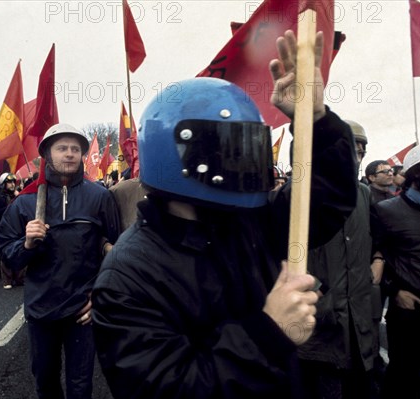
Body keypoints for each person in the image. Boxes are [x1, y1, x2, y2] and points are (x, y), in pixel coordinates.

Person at [91, 30, 358, 399]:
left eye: (248, 147)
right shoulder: (129, 274)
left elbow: (326, 198)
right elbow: (165, 389)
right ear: (179, 156)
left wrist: (317, 121)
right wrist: (269, 332)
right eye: (227, 151)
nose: (242, 162)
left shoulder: (249, 222)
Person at [0, 123, 121, 399]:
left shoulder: (100, 196)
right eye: (62, 148)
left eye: (75, 149)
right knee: (45, 379)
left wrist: (101, 294)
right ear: (47, 155)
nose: (70, 154)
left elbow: (119, 254)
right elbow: (7, 254)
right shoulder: (25, 202)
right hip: (41, 309)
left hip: (83, 310)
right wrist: (27, 244)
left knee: (80, 385)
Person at [297, 120, 381, 399]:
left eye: (361, 151)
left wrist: (377, 261)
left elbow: (375, 239)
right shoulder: (298, 195)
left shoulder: (365, 194)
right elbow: (276, 253)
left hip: (360, 318)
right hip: (320, 320)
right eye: (349, 149)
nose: (356, 157)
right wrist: (316, 289)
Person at [371, 141, 420, 399]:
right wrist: (395, 289)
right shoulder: (386, 211)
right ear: (418, 172)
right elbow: (373, 256)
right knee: (404, 383)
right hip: (412, 316)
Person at [0, 172, 23, 288]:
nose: (12, 185)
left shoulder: (17, 195)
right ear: (3, 184)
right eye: (9, 183)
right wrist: (11, 203)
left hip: (14, 227)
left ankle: (17, 277)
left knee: (16, 250)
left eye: (13, 182)